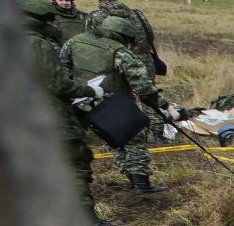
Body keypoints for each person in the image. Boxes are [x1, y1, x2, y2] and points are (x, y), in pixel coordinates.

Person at [19, 0, 108, 226]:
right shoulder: (37, 44)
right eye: (49, 18)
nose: (53, 22)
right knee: (74, 165)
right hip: (52, 117)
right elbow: (58, 83)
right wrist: (88, 90)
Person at [63, 14, 166, 195]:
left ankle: (131, 178)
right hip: (113, 103)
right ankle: (141, 183)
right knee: (133, 138)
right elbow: (142, 85)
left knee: (114, 141)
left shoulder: (74, 42)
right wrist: (163, 105)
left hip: (82, 104)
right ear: (123, 35)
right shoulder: (119, 51)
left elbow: (62, 70)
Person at [87, 0, 157, 70]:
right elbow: (150, 37)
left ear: (100, 1)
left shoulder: (95, 16)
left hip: (118, 65)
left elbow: (89, 42)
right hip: (146, 63)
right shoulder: (138, 14)